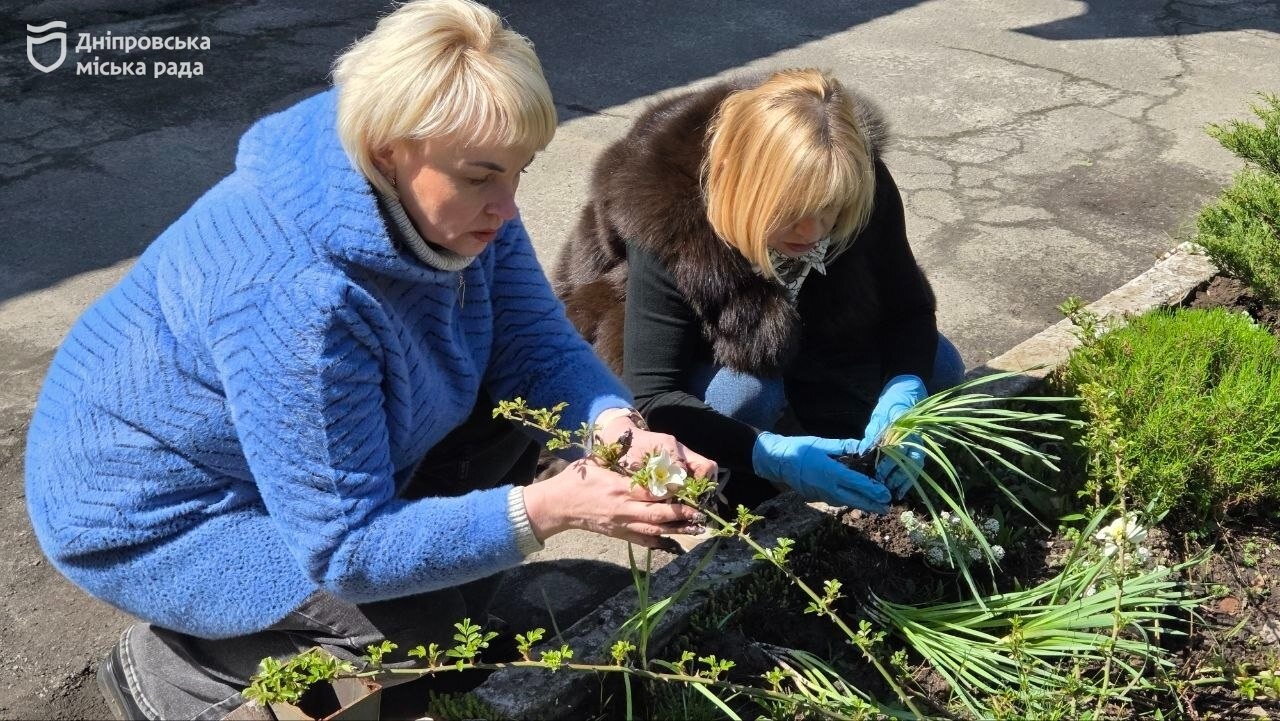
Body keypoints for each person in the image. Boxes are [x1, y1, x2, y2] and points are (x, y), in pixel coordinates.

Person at [24, 2, 715, 719]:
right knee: (425, 640)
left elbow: (532, 343)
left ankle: (421, 612)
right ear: (389, 151)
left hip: (293, 453)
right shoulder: (297, 298)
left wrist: (617, 429)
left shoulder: (453, 187)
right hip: (164, 514)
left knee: (511, 429)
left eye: (519, 170)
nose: (509, 206)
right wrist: (545, 508)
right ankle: (177, 671)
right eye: (483, 176)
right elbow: (346, 547)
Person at [553, 68, 964, 512]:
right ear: (737, 179)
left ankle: (811, 426)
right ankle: (731, 490)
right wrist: (767, 455)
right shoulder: (666, 216)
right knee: (745, 395)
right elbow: (653, 393)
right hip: (699, 349)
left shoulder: (855, 177)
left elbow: (909, 310)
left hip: (803, 331)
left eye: (830, 210)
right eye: (790, 210)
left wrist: (905, 389)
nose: (812, 231)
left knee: (938, 365)